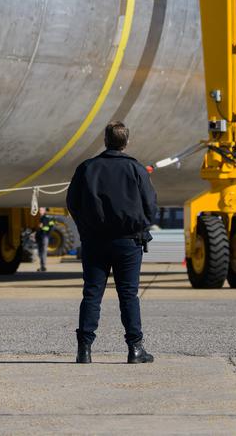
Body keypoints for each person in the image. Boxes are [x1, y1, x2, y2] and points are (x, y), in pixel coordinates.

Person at [65, 121, 158, 365]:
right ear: (126, 142)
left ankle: (84, 350)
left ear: (105, 141)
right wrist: (139, 227)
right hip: (128, 242)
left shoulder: (87, 167)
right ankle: (135, 349)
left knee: (92, 293)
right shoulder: (136, 168)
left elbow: (72, 203)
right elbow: (150, 205)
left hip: (95, 241)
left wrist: (86, 229)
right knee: (128, 295)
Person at [35, 207, 56, 272]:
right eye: (39, 210)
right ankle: (42, 266)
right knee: (40, 252)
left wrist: (42, 228)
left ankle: (43, 266)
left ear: (44, 211)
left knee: (43, 252)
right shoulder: (37, 218)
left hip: (44, 237)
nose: (39, 211)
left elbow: (51, 227)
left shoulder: (47, 218)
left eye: (41, 210)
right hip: (39, 237)